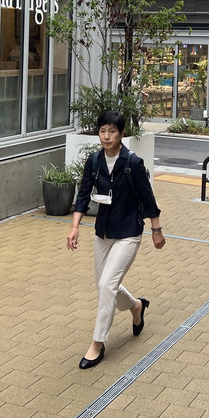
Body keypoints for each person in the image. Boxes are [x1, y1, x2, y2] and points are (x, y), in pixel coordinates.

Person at [67, 111, 165, 369]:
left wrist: (156, 229)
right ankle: (136, 307)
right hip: (103, 232)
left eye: (112, 131)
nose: (106, 136)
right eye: (102, 131)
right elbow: (83, 194)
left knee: (107, 285)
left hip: (129, 232)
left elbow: (148, 197)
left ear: (121, 134)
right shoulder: (94, 160)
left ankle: (97, 344)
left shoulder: (132, 162)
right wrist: (75, 227)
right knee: (104, 286)